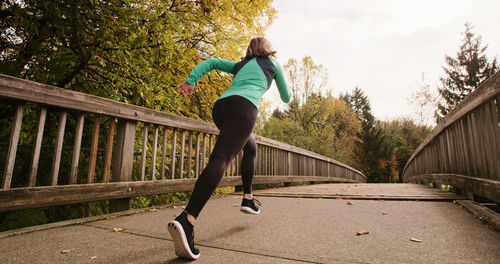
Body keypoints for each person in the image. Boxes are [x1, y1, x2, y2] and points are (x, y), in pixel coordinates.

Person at [167, 36, 291, 260]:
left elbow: (212, 61)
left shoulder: (240, 65)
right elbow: (286, 97)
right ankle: (188, 218)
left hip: (222, 107)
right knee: (221, 159)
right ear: (268, 50)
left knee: (250, 146)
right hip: (244, 109)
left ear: (250, 50)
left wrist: (191, 79)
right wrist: (275, 82)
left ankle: (248, 198)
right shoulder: (273, 64)